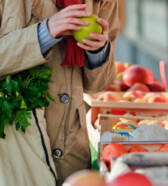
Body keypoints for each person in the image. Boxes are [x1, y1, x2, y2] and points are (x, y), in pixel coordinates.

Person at [0, 0, 119, 185]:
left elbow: (98, 85)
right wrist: (43, 34)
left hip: (73, 149)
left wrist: (98, 51)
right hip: (17, 149)